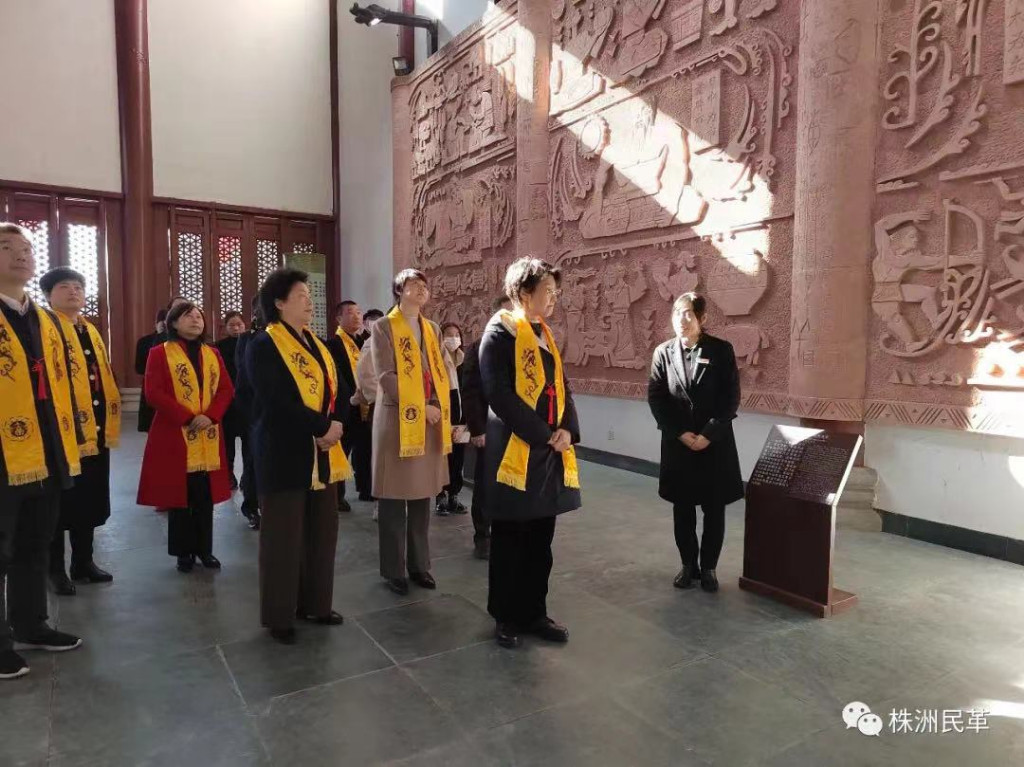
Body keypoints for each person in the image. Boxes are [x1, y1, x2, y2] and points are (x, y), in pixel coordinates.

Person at [480, 258, 580, 649]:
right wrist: (543, 433)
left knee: (541, 540)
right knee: (510, 539)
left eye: (556, 292)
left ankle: (534, 612)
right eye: (547, 291)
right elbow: (498, 394)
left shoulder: (544, 335)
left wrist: (567, 429)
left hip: (548, 453)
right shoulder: (499, 333)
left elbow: (562, 387)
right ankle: (505, 616)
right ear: (523, 293)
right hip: (515, 452)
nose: (554, 298)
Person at [0, 223, 84, 680]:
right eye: (7, 247)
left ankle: (30, 624)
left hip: (47, 445)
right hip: (3, 453)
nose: (21, 254)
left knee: (36, 540)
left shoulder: (48, 321)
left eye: (27, 248)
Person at [248, 268, 350, 643]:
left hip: (323, 453)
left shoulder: (318, 344)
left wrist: (335, 426)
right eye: (301, 296)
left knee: (322, 534)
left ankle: (316, 604)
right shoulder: (263, 344)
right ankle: (280, 616)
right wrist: (321, 427)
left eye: (310, 296)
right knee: (283, 538)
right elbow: (275, 401)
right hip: (285, 453)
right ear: (279, 303)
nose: (310, 302)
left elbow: (342, 391)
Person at [647, 292, 743, 593]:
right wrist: (680, 433)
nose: (682, 319)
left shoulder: (721, 350)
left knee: (714, 510)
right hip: (680, 445)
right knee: (683, 509)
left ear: (702, 318)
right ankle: (688, 565)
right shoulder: (663, 353)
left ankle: (709, 568)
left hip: (714, 444)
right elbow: (657, 399)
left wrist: (708, 434)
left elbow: (731, 398)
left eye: (688, 313)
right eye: (677, 312)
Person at [137, 302, 234, 572]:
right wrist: (189, 418)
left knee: (204, 495)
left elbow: (226, 389)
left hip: (208, 432)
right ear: (173, 323)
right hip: (175, 432)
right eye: (187, 316)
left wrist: (211, 415)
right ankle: (183, 552)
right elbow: (154, 393)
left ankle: (205, 550)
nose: (195, 319)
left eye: (199, 316)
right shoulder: (159, 353)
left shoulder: (213, 353)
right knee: (180, 495)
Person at [42, 267, 121, 596]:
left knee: (88, 497)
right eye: (64, 286)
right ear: (49, 295)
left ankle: (83, 562)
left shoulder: (89, 330)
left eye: (78, 286)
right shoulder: (44, 327)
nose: (74, 291)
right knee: (59, 503)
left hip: (94, 430)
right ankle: (55, 569)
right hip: (62, 432)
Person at [371, 270, 451, 595]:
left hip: (428, 419)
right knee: (393, 497)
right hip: (397, 419)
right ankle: (393, 569)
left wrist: (436, 405)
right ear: (398, 290)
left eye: (424, 286)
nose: (421, 289)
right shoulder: (383, 327)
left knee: (421, 494)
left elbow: (441, 370)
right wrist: (421, 405)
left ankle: (420, 565)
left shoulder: (432, 328)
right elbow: (386, 375)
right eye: (413, 285)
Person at [461, 296, 512, 560]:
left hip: (517, 431)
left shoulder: (525, 347)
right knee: (486, 484)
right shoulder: (479, 347)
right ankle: (483, 535)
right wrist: (477, 429)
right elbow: (470, 391)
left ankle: (509, 532)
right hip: (490, 430)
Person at [327, 300, 372, 510]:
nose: (356, 316)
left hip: (366, 404)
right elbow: (336, 376)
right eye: (350, 313)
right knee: (342, 450)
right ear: (339, 318)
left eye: (359, 312)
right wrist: (351, 396)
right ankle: (337, 495)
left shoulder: (365, 341)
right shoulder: (333, 344)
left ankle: (366, 487)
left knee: (365, 449)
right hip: (346, 406)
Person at [232, 297, 263, 529]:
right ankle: (252, 507)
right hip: (257, 412)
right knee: (254, 460)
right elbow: (244, 379)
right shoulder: (247, 339)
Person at [436, 322, 469, 516]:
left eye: (457, 335)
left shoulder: (464, 360)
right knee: (442, 458)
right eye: (449, 334)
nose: (453, 338)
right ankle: (440, 497)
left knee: (458, 459)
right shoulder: (436, 360)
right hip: (442, 417)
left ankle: (454, 496)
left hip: (461, 418)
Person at [353, 308, 383, 521]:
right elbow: (366, 376)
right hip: (382, 406)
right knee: (380, 455)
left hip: (408, 407)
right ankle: (380, 501)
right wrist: (383, 397)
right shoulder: (372, 343)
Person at [215, 311, 249, 492]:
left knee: (249, 443)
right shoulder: (217, 348)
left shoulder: (252, 343)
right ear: (225, 328)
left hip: (247, 402)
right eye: (232, 325)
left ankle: (247, 476)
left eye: (239, 325)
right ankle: (228, 476)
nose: (236, 328)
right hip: (227, 403)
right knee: (227, 443)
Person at [134, 309, 167, 433]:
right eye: (161, 321)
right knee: (152, 427)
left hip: (172, 388)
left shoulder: (178, 342)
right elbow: (139, 367)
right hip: (151, 386)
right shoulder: (145, 341)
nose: (164, 324)